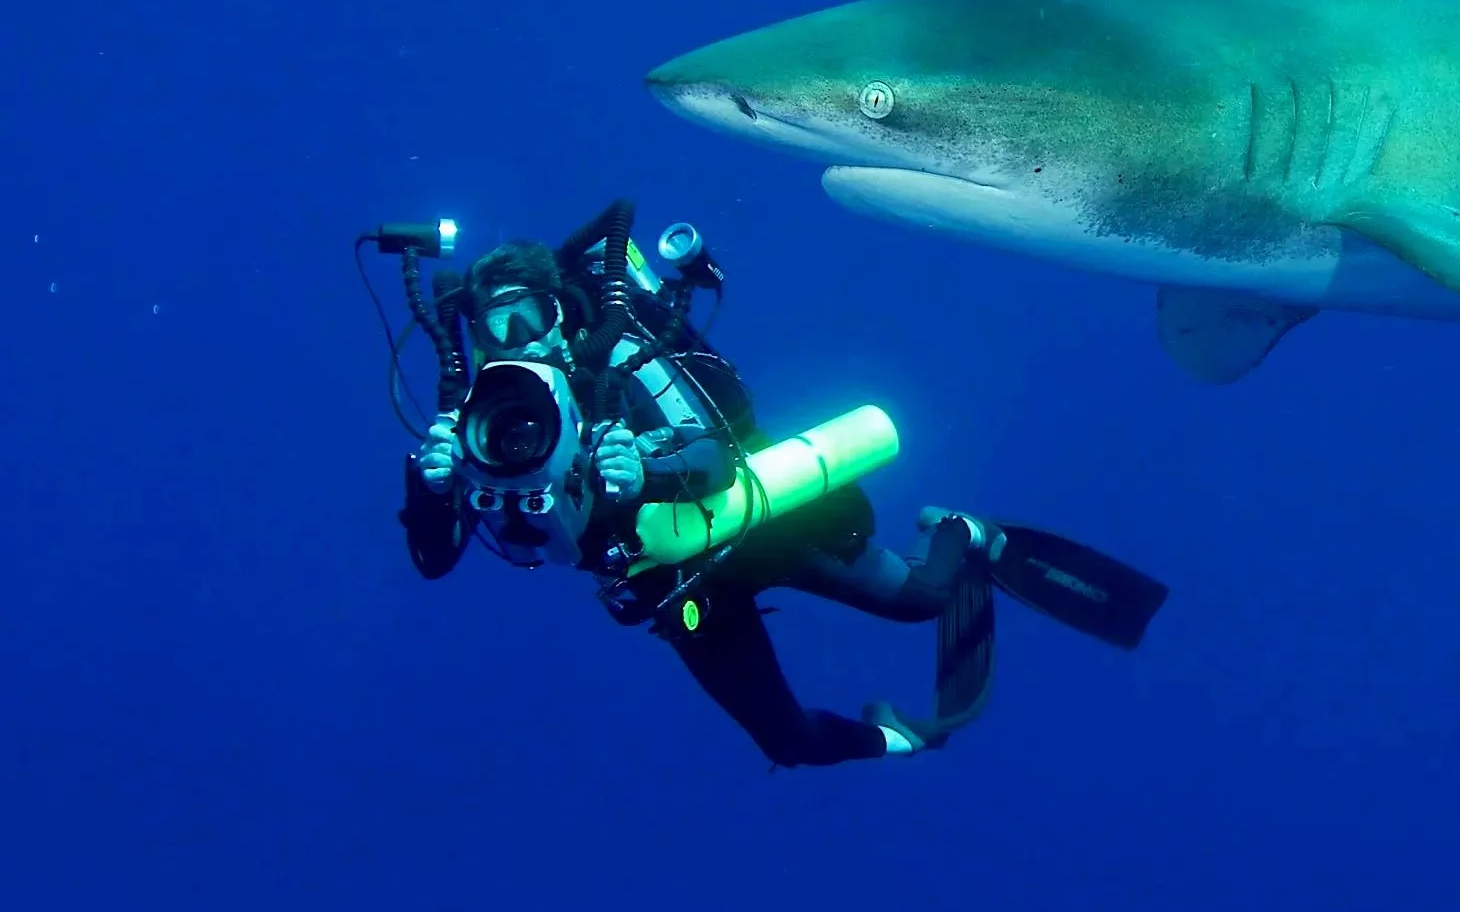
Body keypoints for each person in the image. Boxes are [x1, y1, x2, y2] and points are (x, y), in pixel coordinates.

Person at [391, 209, 1167, 770]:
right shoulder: (476, 420)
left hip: (759, 521)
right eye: (494, 331)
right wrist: (429, 489)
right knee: (787, 743)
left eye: (529, 320)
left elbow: (715, 456)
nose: (514, 346)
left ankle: (963, 533)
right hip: (676, 584)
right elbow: (434, 558)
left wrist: (647, 469)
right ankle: (903, 738)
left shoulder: (625, 359)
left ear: (561, 316)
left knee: (922, 601)